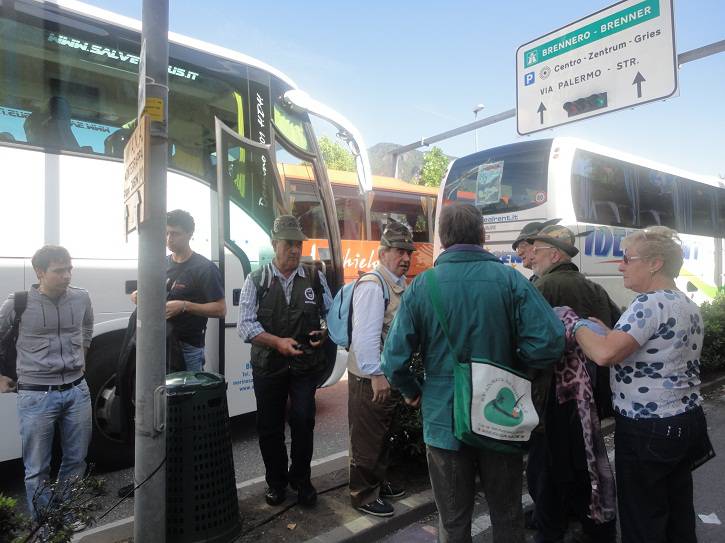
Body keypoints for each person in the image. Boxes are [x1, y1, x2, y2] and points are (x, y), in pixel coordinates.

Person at [381, 203, 564, 543]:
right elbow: (551, 341)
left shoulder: (424, 286)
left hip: (442, 418)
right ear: (482, 235)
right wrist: (518, 362)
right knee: (507, 515)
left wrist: (412, 391)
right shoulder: (510, 280)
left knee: (452, 521)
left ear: (442, 238)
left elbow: (393, 360)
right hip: (501, 413)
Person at [574, 226, 713, 543]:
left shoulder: (648, 303)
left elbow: (605, 354)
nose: (621, 265)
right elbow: (651, 350)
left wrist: (577, 325)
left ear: (655, 264)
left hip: (648, 428)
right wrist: (608, 330)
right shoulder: (683, 303)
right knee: (677, 511)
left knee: (642, 518)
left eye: (627, 258)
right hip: (684, 420)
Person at [525, 225, 618, 543]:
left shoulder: (541, 287)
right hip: (589, 396)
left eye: (536, 251)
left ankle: (550, 527)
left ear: (554, 253)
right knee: (586, 458)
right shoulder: (593, 287)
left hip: (552, 393)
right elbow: (615, 327)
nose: (532, 256)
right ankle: (592, 521)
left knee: (548, 467)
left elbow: (528, 344)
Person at [237, 215, 333, 508]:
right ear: (274, 243)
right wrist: (277, 342)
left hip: (304, 366)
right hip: (269, 367)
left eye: (298, 243)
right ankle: (276, 483)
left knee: (303, 420)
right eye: (288, 243)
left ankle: (301, 479)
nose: (294, 249)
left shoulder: (315, 277)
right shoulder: (256, 280)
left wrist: (325, 333)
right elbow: (245, 326)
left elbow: (331, 314)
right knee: (269, 427)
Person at [0, 246, 93, 520]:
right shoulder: (18, 302)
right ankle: (44, 530)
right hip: (36, 396)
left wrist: (83, 353)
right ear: (40, 272)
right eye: (59, 270)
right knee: (38, 468)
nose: (66, 275)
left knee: (76, 460)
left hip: (77, 391)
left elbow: (87, 327)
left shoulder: (81, 298)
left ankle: (64, 519)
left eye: (69, 269)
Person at [347, 220, 414, 517]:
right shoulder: (373, 286)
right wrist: (376, 375)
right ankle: (363, 494)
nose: (406, 257)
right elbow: (365, 338)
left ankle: (377, 482)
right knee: (367, 437)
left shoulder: (396, 285)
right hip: (370, 378)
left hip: (386, 376)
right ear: (383, 252)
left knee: (383, 433)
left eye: (408, 251)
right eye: (399, 251)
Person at [131, 209, 225, 372]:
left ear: (190, 234)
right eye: (166, 233)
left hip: (187, 347)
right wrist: (138, 296)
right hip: (159, 342)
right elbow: (150, 294)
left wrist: (184, 306)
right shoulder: (161, 263)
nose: (169, 239)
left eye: (175, 234)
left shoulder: (205, 268)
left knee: (186, 396)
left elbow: (221, 309)